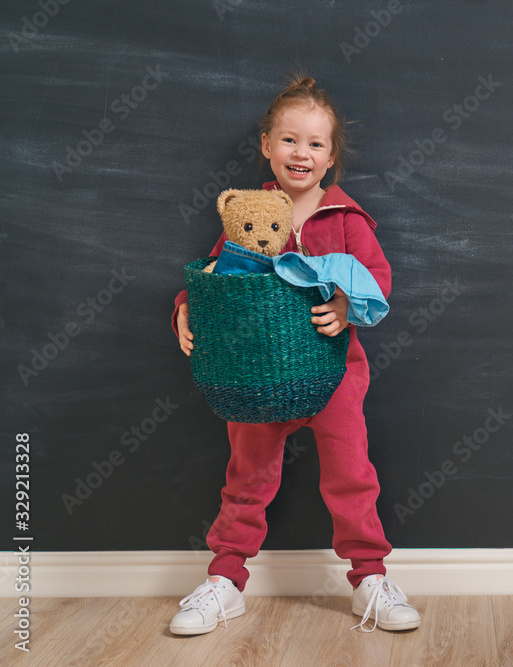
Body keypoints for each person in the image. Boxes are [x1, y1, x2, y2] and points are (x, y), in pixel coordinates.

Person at [168, 76, 419, 635]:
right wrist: (187, 306)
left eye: (314, 143)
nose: (300, 153)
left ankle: (370, 578)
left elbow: (377, 282)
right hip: (255, 377)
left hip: (335, 377)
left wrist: (346, 308)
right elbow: (216, 278)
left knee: (352, 475)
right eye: (288, 140)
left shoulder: (348, 221)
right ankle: (225, 580)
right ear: (266, 144)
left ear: (331, 157)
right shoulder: (248, 216)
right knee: (247, 478)